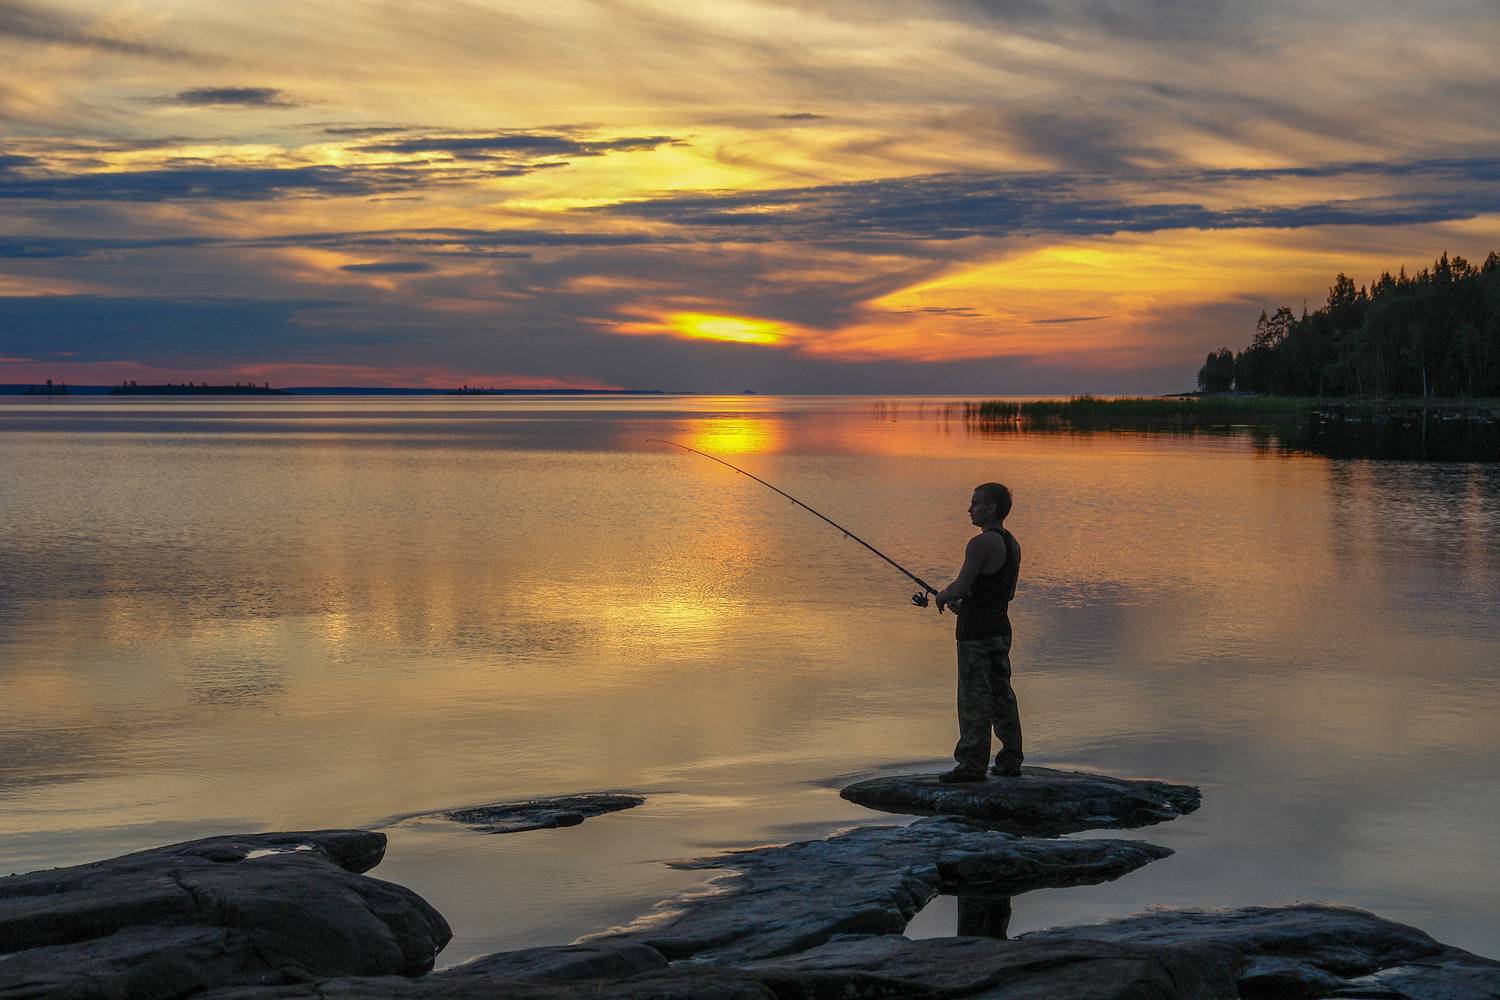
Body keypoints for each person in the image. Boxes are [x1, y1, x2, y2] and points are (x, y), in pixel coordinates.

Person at [935, 483, 1022, 783]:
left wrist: (943, 596)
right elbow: (1000, 591)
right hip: (1000, 629)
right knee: (1002, 695)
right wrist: (965, 601)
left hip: (975, 634)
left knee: (973, 698)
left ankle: (972, 764)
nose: (970, 509)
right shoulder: (1012, 544)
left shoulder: (980, 543)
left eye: (975, 504)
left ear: (992, 508)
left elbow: (962, 585)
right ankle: (1011, 759)